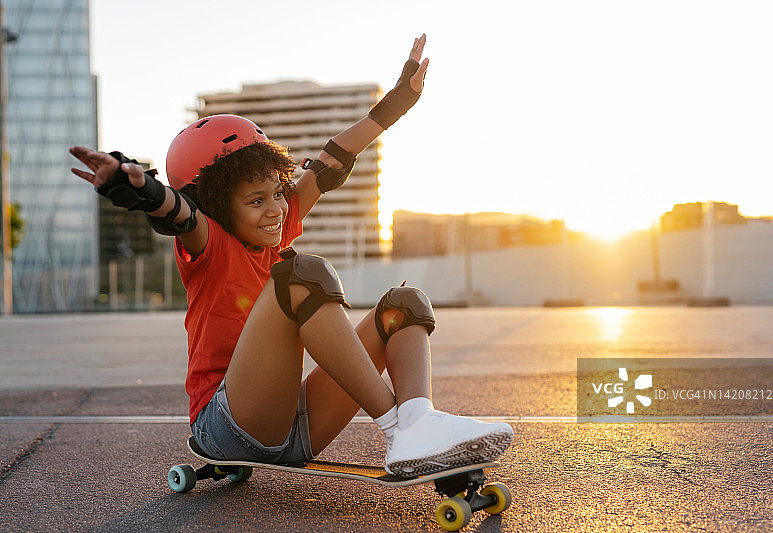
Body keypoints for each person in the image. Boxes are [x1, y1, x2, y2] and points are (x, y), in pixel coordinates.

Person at [69, 35, 512, 477]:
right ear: (219, 205)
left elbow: (332, 159)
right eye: (255, 200)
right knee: (303, 275)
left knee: (403, 305)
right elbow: (176, 212)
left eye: (278, 192)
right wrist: (137, 189)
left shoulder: (278, 225)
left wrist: (398, 101)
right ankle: (398, 429)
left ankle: (417, 422)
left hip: (294, 424)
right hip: (225, 425)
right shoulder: (210, 242)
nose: (276, 209)